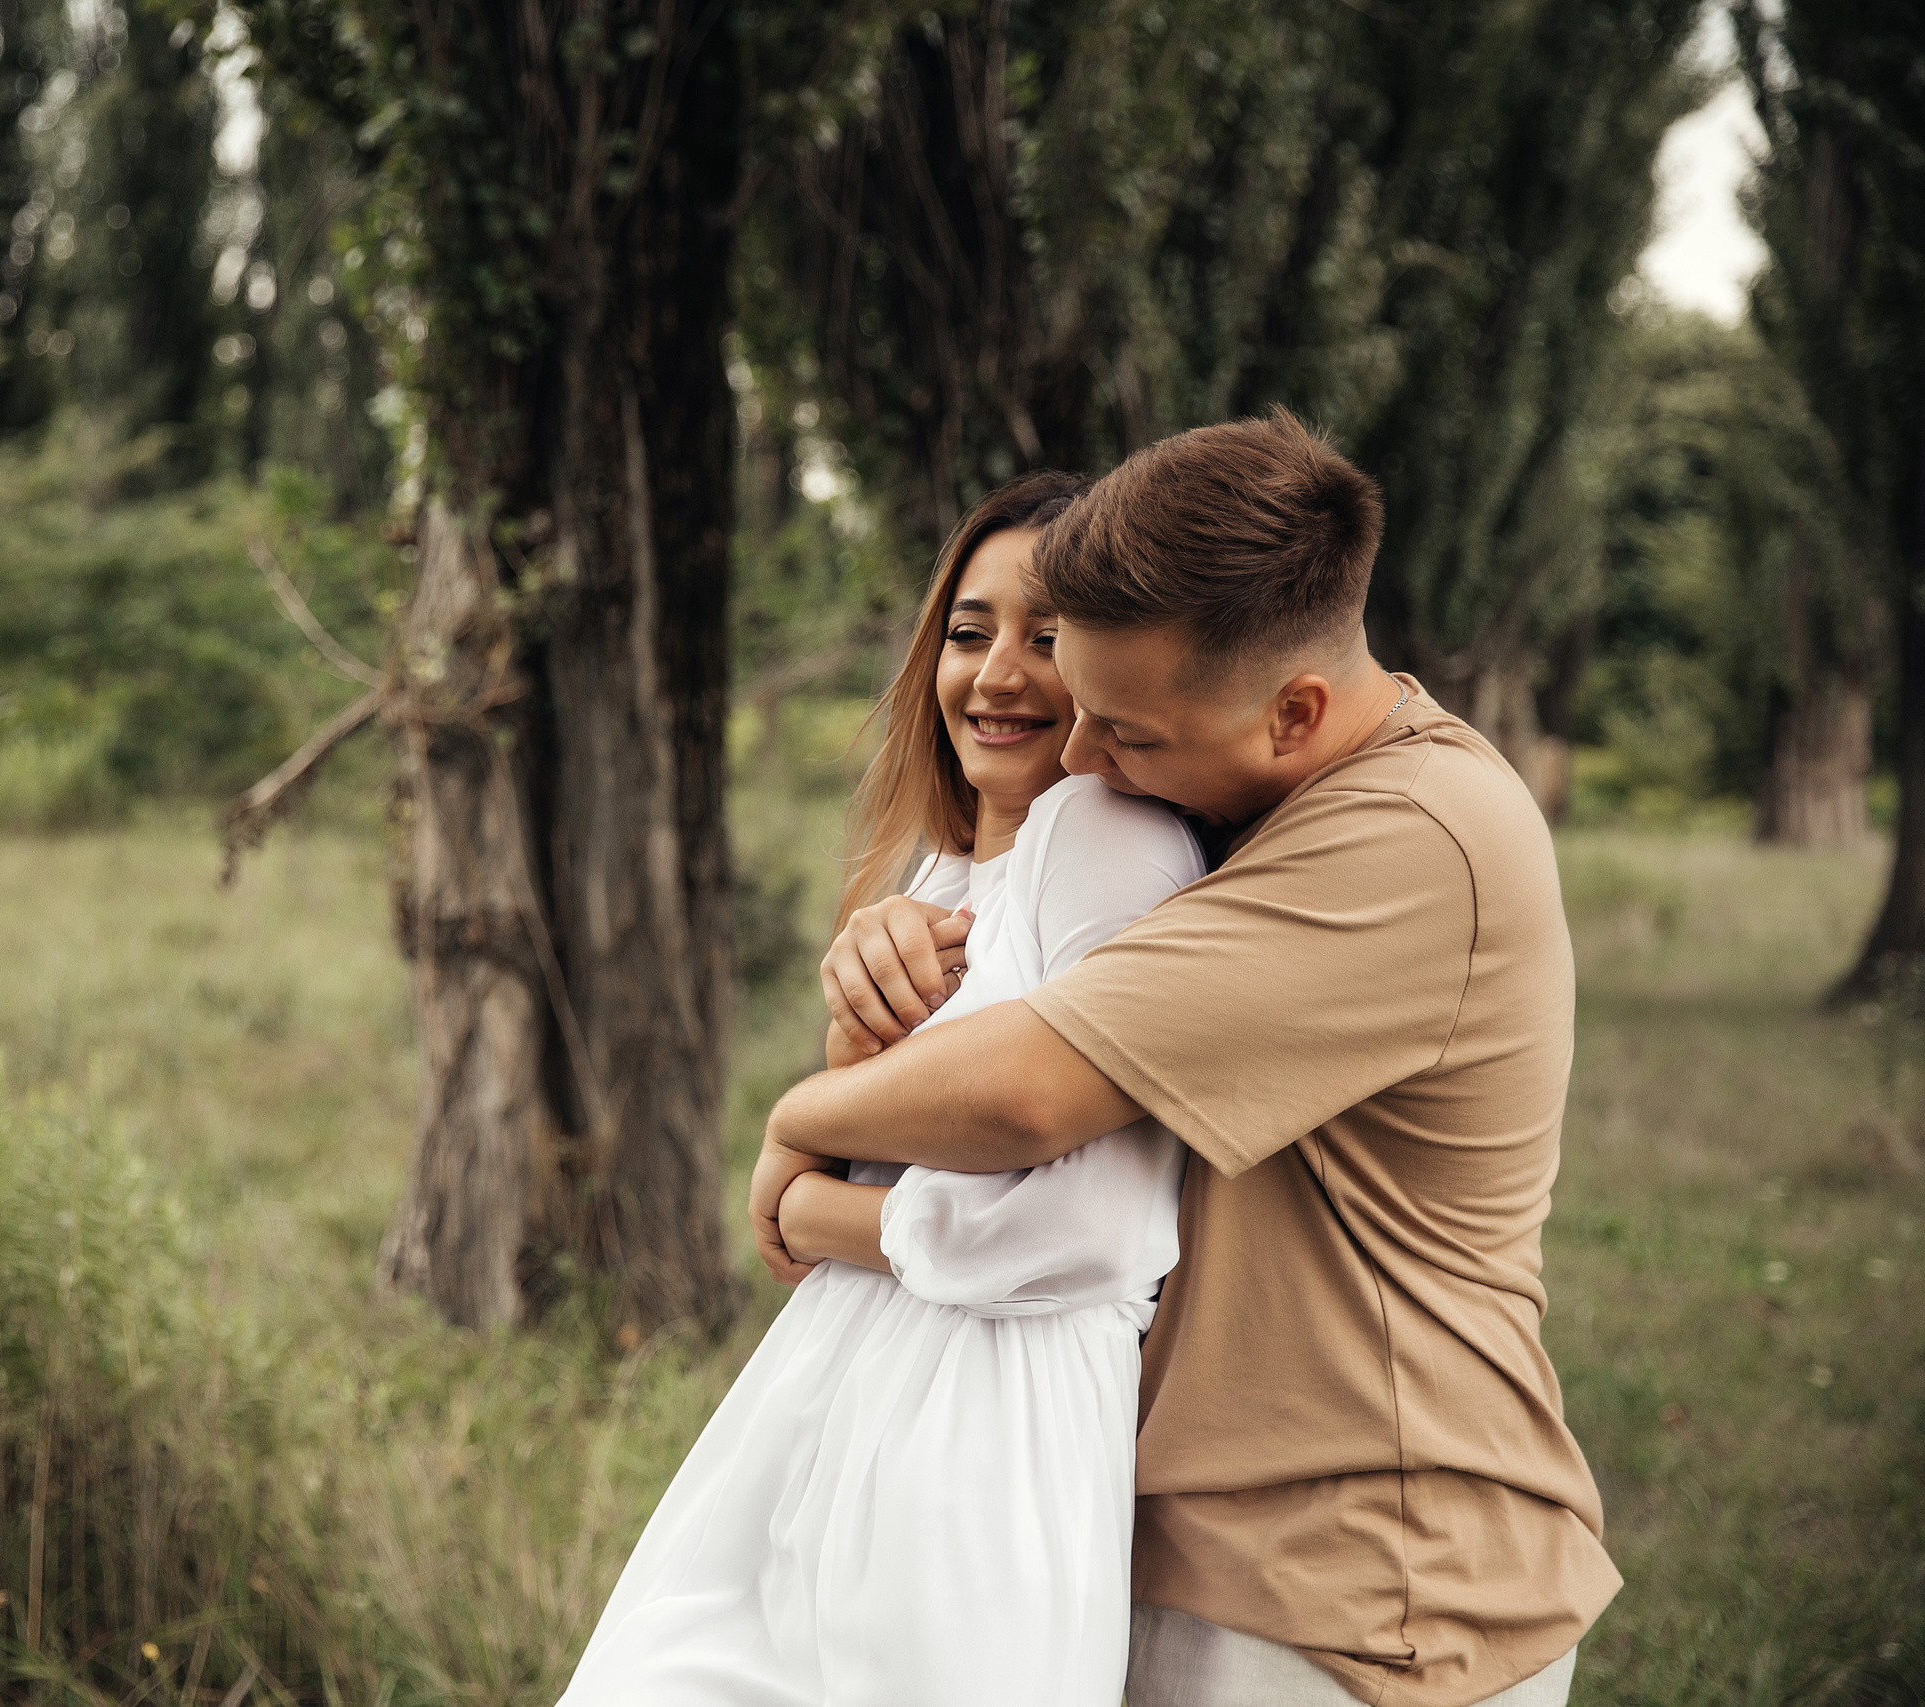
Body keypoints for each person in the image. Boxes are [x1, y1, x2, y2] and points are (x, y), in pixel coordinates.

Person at [755, 408, 1618, 1707]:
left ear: (1297, 711)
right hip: (1223, 1549)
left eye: (1133, 731)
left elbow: (1029, 1088)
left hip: (1360, 1592)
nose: (1085, 760)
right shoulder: (1273, 805)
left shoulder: (1408, 835)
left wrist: (796, 1126)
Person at [556, 472, 1205, 1706]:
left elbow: (1091, 1231)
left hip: (985, 1435)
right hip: (838, 1402)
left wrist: (808, 1206)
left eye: (1050, 637)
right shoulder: (939, 881)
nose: (997, 674)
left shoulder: (1108, 836)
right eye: (969, 632)